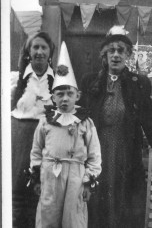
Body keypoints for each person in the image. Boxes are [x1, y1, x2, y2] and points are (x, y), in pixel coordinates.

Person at [79, 25, 152, 228]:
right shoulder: (91, 81)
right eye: (112, 50)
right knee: (97, 196)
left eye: (121, 51)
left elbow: (149, 119)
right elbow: (80, 116)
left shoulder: (139, 83)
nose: (116, 55)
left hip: (126, 151)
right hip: (97, 150)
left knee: (125, 198)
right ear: (105, 54)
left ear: (128, 55)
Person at [30, 42, 102, 228]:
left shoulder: (85, 122)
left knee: (74, 219)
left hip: (75, 177)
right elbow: (37, 151)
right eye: (60, 94)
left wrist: (88, 182)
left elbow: (94, 156)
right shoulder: (46, 121)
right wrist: (37, 176)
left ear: (77, 96)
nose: (64, 98)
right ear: (53, 97)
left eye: (69, 93)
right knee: (48, 216)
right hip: (50, 175)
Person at [11, 31, 55, 228]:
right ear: (28, 52)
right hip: (20, 139)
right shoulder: (15, 80)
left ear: (49, 52)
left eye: (43, 47)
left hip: (47, 141)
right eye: (35, 47)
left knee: (42, 192)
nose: (39, 51)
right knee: (18, 193)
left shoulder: (57, 81)